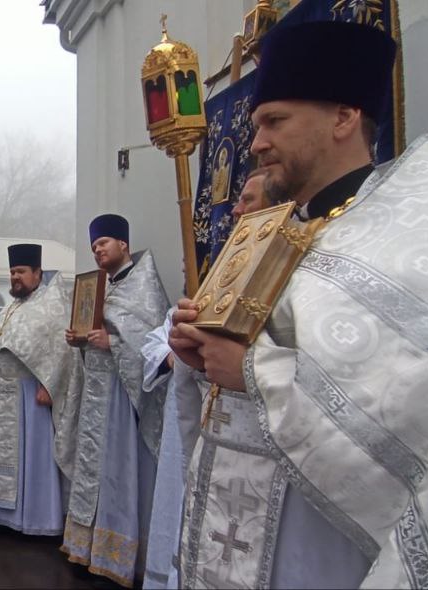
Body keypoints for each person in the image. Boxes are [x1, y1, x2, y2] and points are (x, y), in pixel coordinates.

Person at [170, 21, 428, 588]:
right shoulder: (273, 233)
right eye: (256, 125)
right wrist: (201, 356)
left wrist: (252, 372)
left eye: (274, 121)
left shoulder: (415, 243)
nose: (255, 144)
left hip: (333, 550)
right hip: (243, 527)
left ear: (343, 118)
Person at [141, 168, 271, 590]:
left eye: (247, 200)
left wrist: (241, 367)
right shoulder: (220, 279)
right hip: (203, 429)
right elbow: (165, 337)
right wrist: (185, 358)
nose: (234, 210)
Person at [58, 214, 170, 585]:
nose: (97, 250)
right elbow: (94, 334)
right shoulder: (100, 289)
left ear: (123, 244)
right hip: (94, 396)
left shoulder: (143, 286)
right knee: (94, 470)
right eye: (93, 246)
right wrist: (80, 342)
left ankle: (117, 556)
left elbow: (153, 342)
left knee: (117, 472)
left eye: (103, 243)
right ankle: (87, 547)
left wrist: (115, 342)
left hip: (122, 399)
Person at [0, 243, 74, 535]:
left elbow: (62, 350)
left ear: (37, 273)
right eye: (12, 271)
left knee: (31, 457)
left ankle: (33, 518)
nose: (15, 277)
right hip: (0, 394)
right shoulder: (11, 307)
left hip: (29, 397)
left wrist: (50, 385)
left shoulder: (51, 306)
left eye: (21, 271)